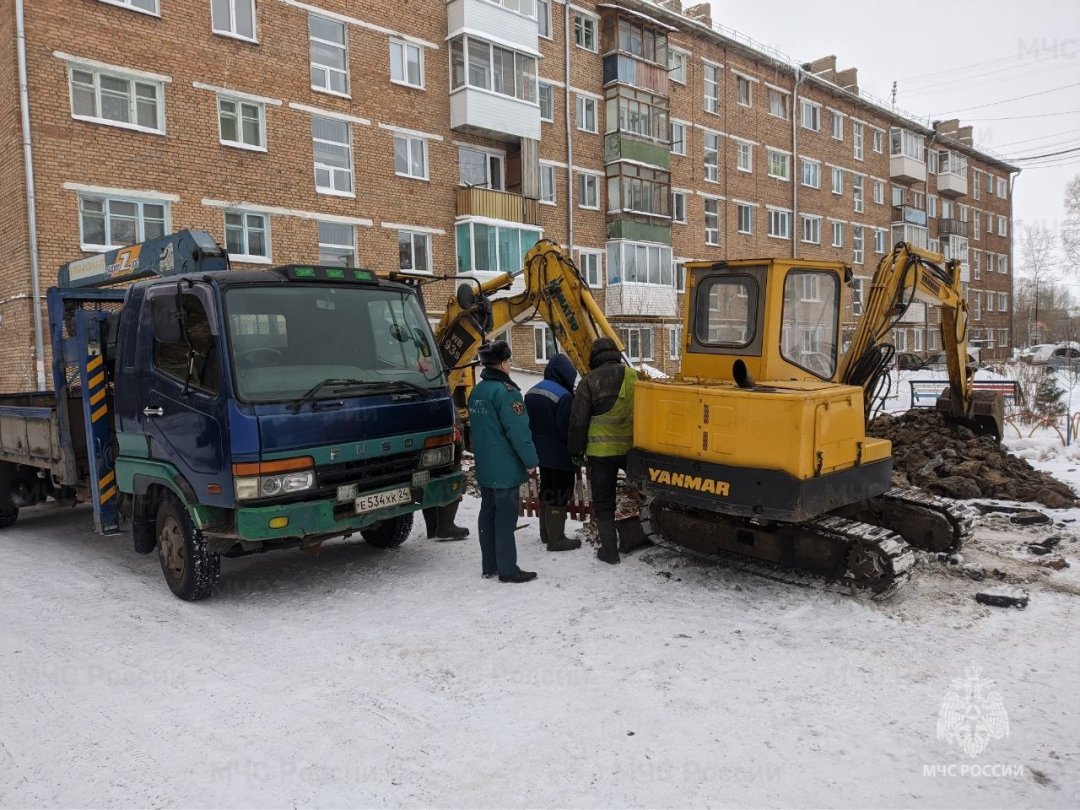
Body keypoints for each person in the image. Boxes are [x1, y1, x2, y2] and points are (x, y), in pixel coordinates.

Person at [467, 340, 540, 583]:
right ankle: (508, 569)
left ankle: (490, 565)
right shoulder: (507, 393)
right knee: (506, 517)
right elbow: (518, 431)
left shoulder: (477, 392)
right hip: (505, 468)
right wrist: (530, 461)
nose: (509, 365)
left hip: (486, 466)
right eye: (508, 361)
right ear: (502, 363)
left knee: (487, 513)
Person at [567, 337, 638, 565]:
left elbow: (578, 421)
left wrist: (575, 451)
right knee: (644, 494)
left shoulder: (589, 381)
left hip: (600, 453)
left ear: (594, 358)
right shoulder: (633, 376)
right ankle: (643, 535)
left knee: (604, 501)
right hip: (631, 450)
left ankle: (610, 551)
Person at [525, 353, 581, 552]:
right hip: (559, 453)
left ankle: (545, 533)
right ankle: (556, 539)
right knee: (561, 491)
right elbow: (565, 429)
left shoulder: (532, 391)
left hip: (540, 452)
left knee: (547, 488)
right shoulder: (564, 396)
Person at [422, 426, 469, 541]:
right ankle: (446, 526)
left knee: (430, 478)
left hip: (427, 438)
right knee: (454, 477)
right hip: (445, 437)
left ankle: (433, 528)